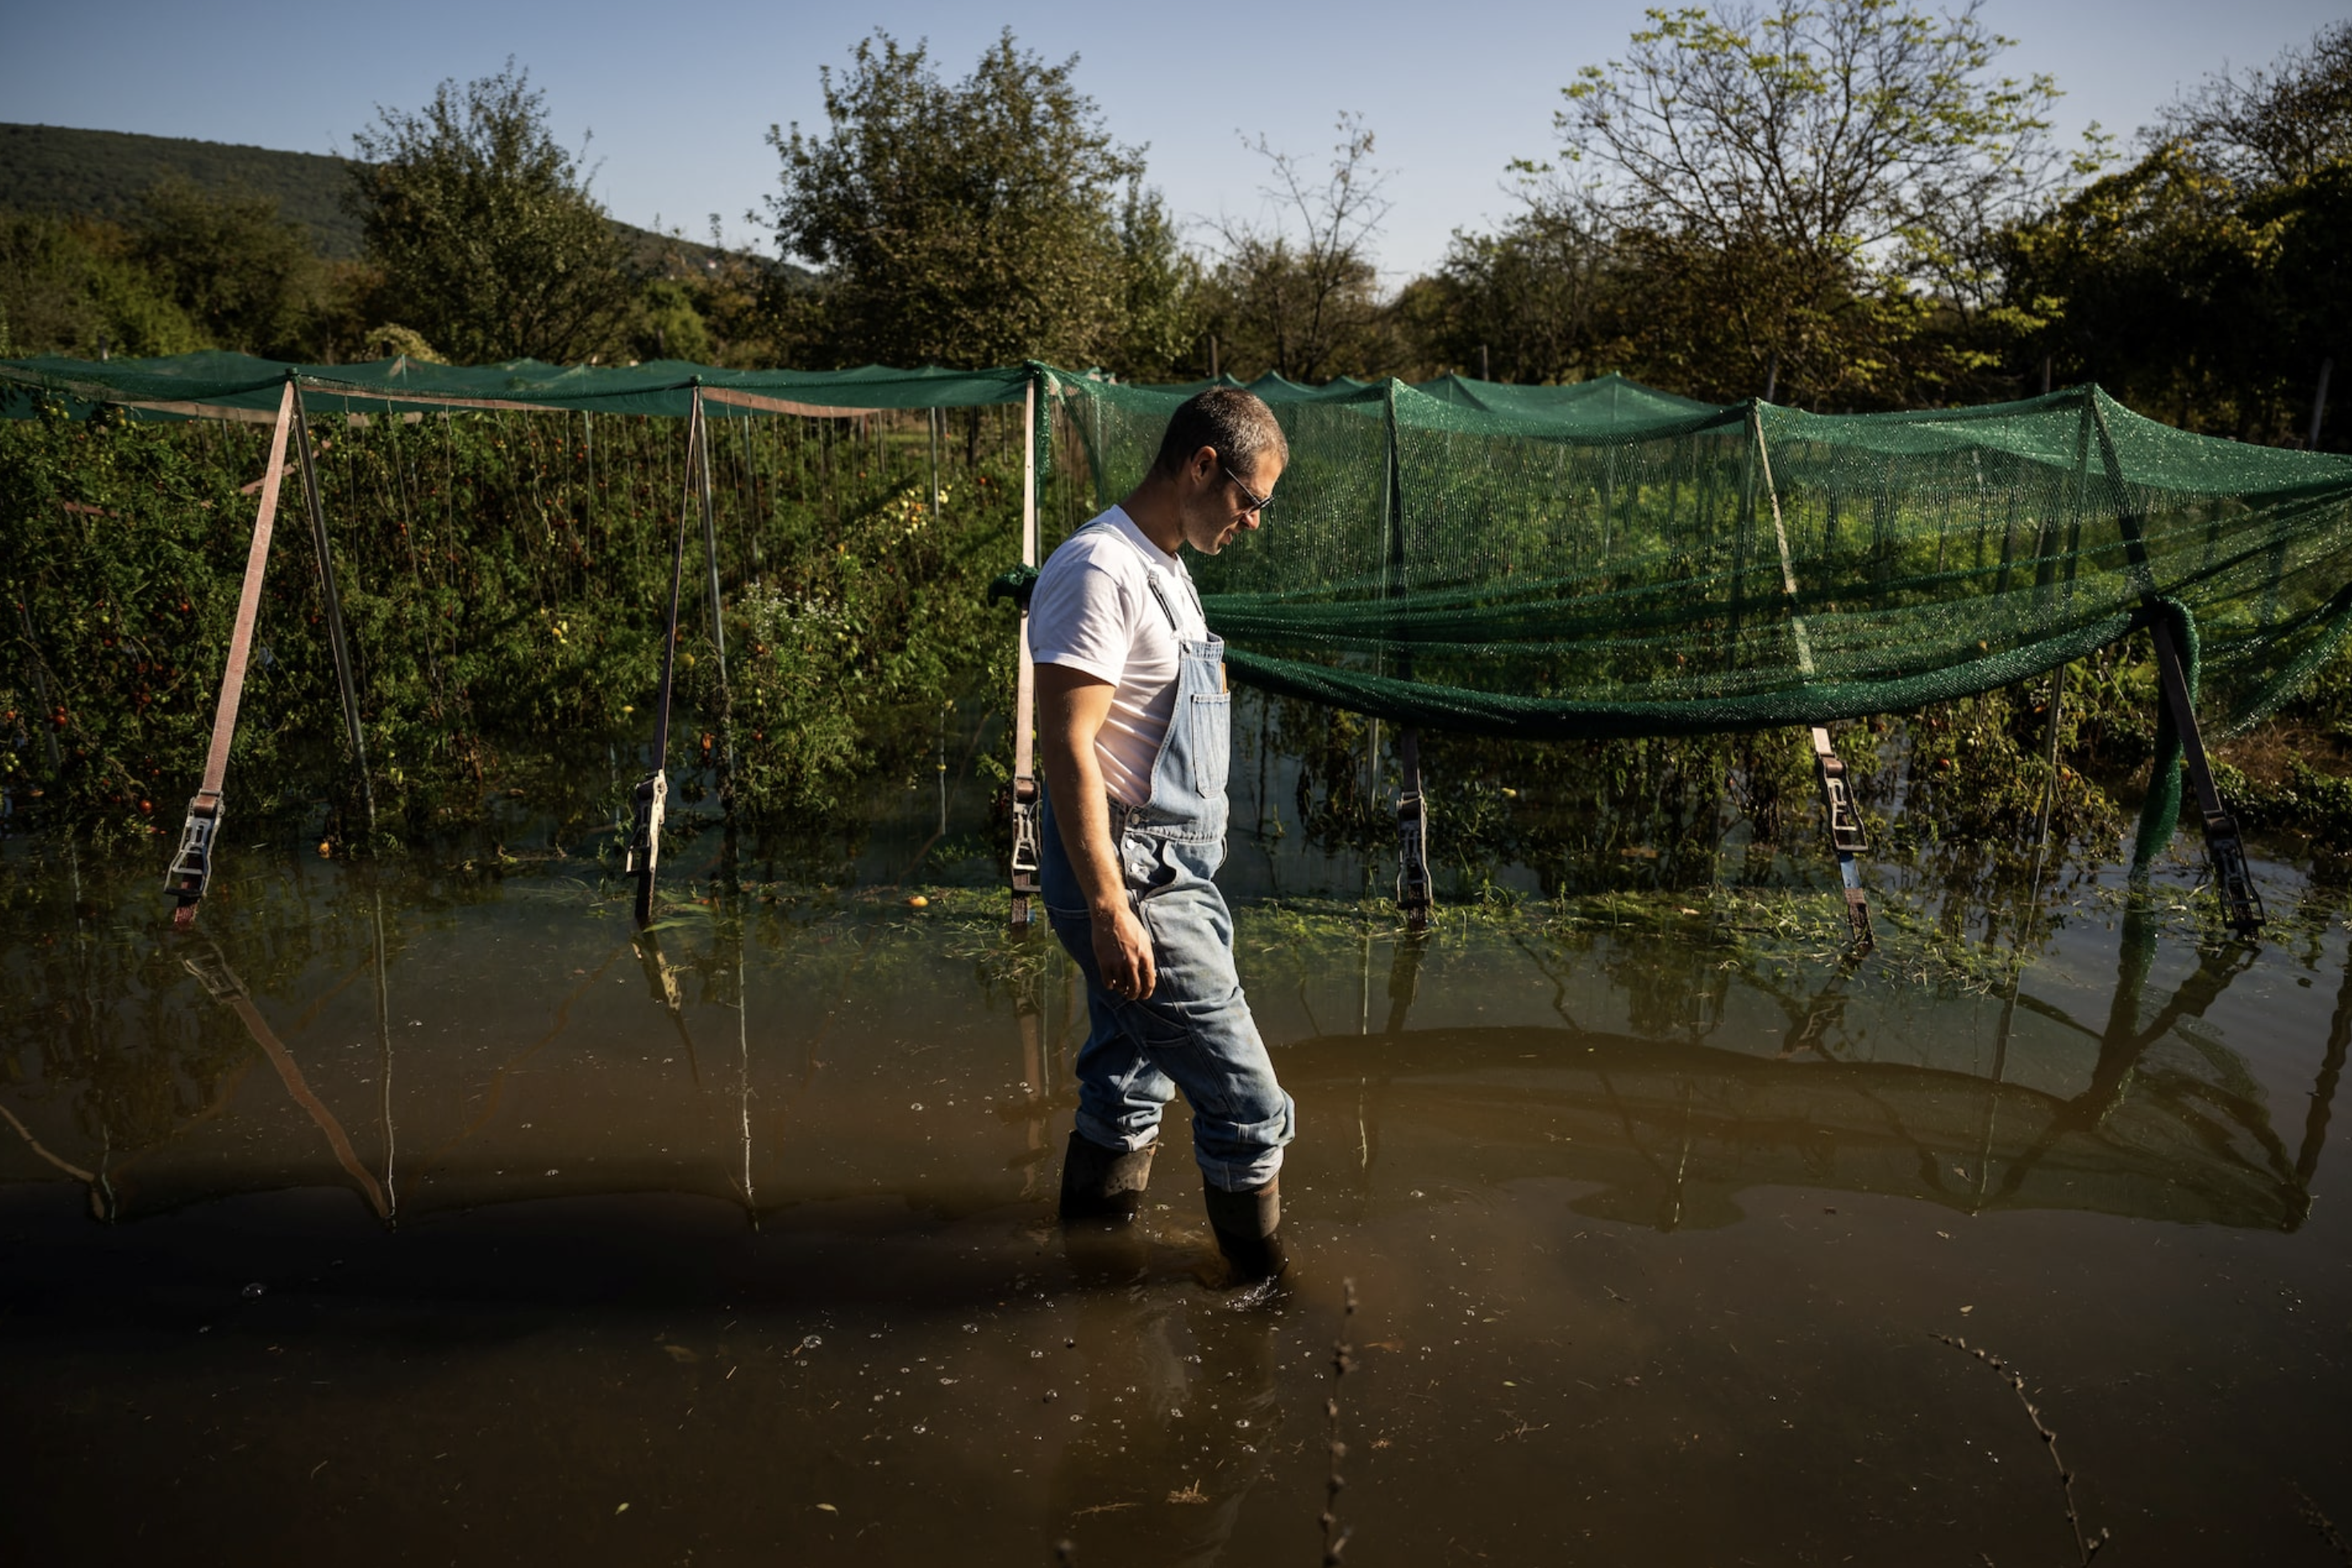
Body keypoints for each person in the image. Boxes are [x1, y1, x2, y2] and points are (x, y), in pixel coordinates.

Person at [1028, 386, 1295, 1282]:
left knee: (1128, 1081)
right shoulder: (1099, 567)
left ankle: (1089, 1275)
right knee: (1249, 1105)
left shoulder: (1166, 566)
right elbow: (1063, 741)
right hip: (1135, 876)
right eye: (1250, 501)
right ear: (1202, 466)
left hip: (1175, 869)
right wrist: (1110, 907)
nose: (1254, 522)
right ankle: (1265, 1298)